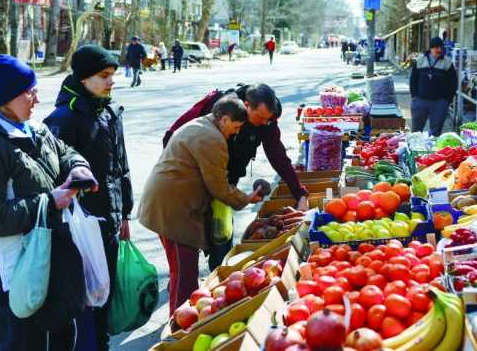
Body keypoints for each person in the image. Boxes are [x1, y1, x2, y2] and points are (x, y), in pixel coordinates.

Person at [0, 54, 98, 350]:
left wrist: (78, 167)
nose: (37, 98)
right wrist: (48, 202)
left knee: (60, 338)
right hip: (12, 274)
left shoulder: (35, 129)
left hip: (51, 262)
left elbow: (65, 151)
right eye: (29, 91)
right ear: (5, 99)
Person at [138, 95, 263, 315]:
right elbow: (219, 187)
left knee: (182, 269)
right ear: (223, 119)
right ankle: (178, 329)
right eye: (235, 127)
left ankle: (181, 319)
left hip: (171, 203)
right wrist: (246, 198)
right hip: (173, 209)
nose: (235, 133)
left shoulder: (202, 123)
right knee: (184, 274)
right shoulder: (212, 139)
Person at [163, 84, 309, 270]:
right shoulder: (221, 106)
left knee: (221, 238)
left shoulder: (268, 118)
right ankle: (182, 278)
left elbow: (277, 155)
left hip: (224, 185)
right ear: (246, 106)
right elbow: (171, 135)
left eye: (268, 119)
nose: (264, 123)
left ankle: (218, 275)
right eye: (260, 118)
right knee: (188, 246)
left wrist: (300, 193)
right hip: (194, 186)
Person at [44, 45, 133, 351]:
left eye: (113, 76)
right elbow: (53, 179)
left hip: (110, 222)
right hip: (81, 230)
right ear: (83, 79)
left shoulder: (109, 111)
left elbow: (121, 167)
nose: (111, 82)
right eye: (104, 76)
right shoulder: (64, 118)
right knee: (84, 304)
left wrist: (126, 214)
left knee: (104, 297)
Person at [410, 36, 457, 136]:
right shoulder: (420, 60)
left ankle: (433, 150)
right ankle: (414, 149)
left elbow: (453, 82)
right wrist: (414, 96)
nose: (439, 50)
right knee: (416, 131)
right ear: (431, 48)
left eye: (441, 47)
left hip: (440, 102)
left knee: (436, 132)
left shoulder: (447, 62)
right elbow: (413, 79)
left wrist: (448, 99)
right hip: (420, 101)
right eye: (436, 47)